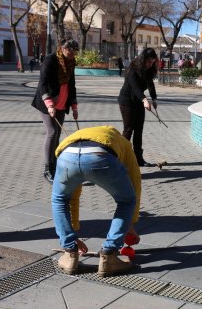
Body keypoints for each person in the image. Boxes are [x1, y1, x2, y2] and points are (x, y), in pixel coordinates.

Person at [51, 125, 141, 276]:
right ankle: (109, 255)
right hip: (99, 155)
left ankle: (69, 255)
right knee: (126, 201)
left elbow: (73, 194)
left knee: (60, 200)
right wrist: (130, 223)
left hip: (66, 154)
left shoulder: (79, 134)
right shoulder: (123, 142)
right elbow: (135, 183)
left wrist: (73, 235)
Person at [32, 39, 79, 184]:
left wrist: (74, 106)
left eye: (74, 52)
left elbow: (72, 85)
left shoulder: (71, 63)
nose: (72, 54)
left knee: (57, 134)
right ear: (63, 49)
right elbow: (43, 83)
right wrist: (49, 104)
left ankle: (55, 164)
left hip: (62, 103)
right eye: (70, 51)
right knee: (52, 132)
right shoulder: (50, 60)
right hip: (48, 102)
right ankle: (47, 168)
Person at [118, 47, 158, 167]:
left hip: (139, 101)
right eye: (149, 62)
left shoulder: (148, 70)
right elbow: (135, 88)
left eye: (152, 62)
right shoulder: (133, 68)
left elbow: (150, 84)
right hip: (127, 101)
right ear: (143, 59)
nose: (150, 65)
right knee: (128, 129)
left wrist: (154, 99)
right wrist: (144, 100)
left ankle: (138, 159)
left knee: (139, 130)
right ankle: (121, 158)